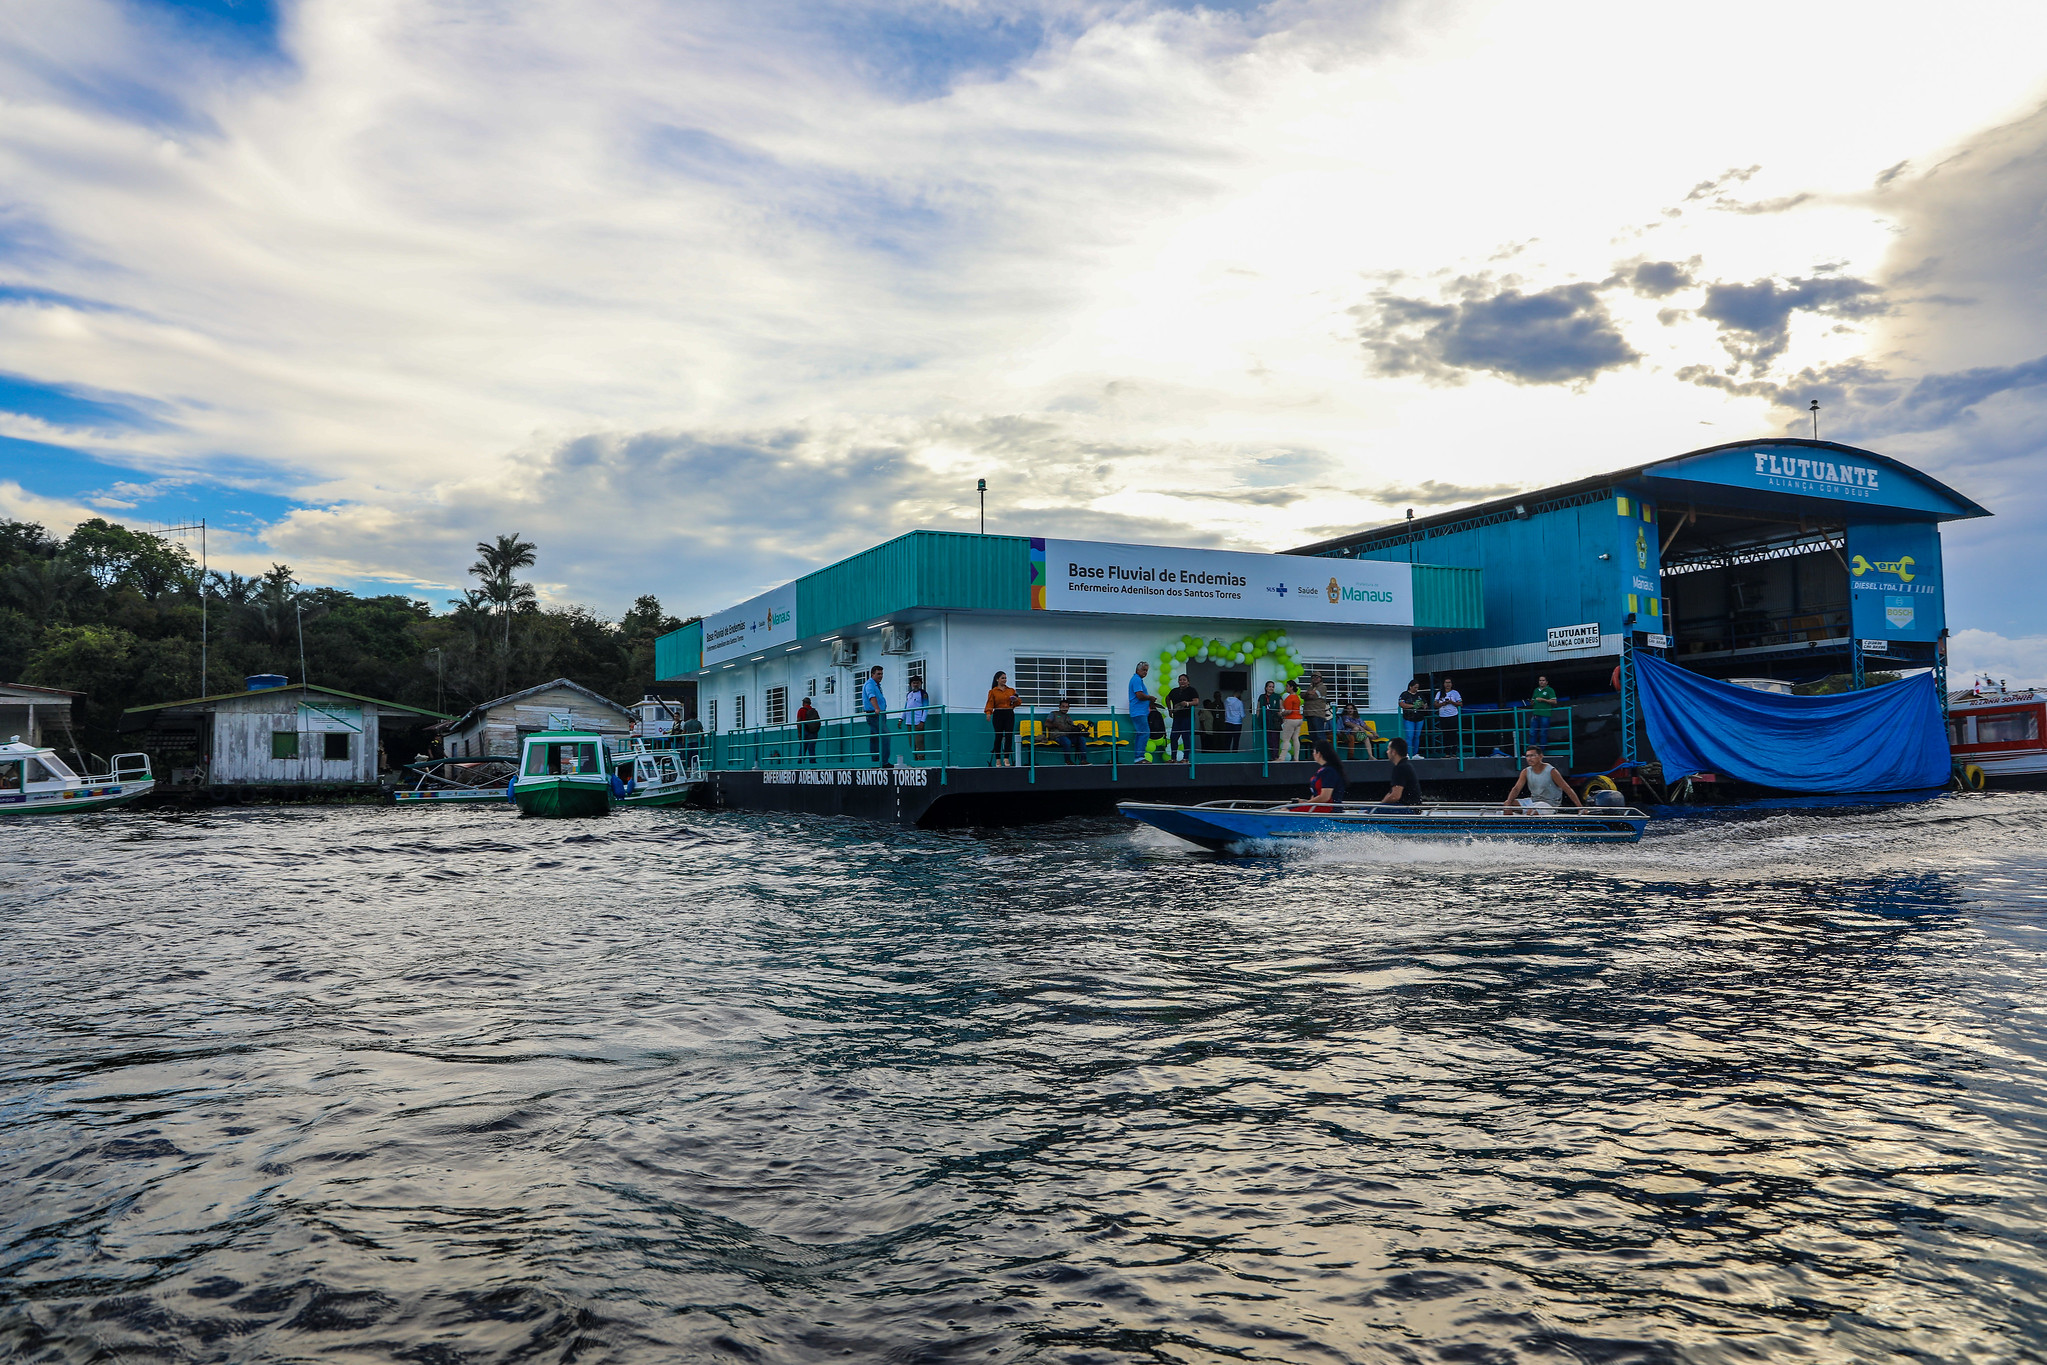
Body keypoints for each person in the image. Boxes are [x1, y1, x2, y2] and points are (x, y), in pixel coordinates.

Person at [1502, 745, 1581, 814]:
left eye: (1532, 756)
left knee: (1532, 811)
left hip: (1550, 804)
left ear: (1540, 756)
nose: (1529, 758)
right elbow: (1516, 789)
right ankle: (1511, 828)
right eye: (1527, 756)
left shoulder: (1551, 771)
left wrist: (1580, 807)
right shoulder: (1525, 772)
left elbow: (1567, 789)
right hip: (1533, 801)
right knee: (1507, 803)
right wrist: (1508, 804)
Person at [1297, 738, 1347, 812]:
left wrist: (1306, 804)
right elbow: (1316, 793)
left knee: (1288, 810)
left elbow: (1325, 797)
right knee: (1287, 808)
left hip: (1329, 809)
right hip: (1320, 806)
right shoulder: (1322, 770)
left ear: (1319, 753)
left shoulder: (1329, 771)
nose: (1313, 754)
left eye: (1314, 752)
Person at [985, 669, 1019, 766]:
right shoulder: (993, 691)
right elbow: (990, 703)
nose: (1004, 680)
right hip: (998, 713)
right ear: (997, 679)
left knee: (1008, 735)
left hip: (1009, 713)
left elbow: (1018, 703)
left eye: (1005, 678)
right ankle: (998, 759)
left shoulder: (1011, 690)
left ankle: (1006, 758)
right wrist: (988, 713)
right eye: (1002, 678)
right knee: (998, 736)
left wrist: (1016, 699)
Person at [1378, 737, 1421, 812]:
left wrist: (1379, 806)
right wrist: (1380, 804)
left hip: (1408, 809)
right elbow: (1391, 793)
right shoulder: (1405, 765)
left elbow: (1395, 796)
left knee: (1366, 810)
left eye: (1388, 749)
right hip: (1410, 807)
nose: (1387, 752)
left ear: (1394, 752)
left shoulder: (1400, 768)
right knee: (1371, 809)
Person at [1045, 697, 1091, 764]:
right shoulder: (1053, 714)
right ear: (1059, 707)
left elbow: (1072, 728)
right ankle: (1068, 761)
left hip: (1068, 735)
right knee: (1067, 741)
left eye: (1067, 707)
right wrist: (1056, 725)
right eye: (1063, 706)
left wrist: (1078, 727)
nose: (1065, 708)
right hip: (1057, 736)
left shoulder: (1068, 717)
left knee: (1082, 739)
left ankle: (1083, 760)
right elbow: (1046, 723)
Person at [1127, 661, 1157, 762]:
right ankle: (1139, 757)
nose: (1145, 672)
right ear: (1138, 670)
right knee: (1144, 733)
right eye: (1143, 670)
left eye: (1146, 671)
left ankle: (1139, 756)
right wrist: (1150, 698)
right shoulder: (1136, 679)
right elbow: (1139, 695)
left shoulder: (1137, 679)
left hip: (1140, 711)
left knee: (1141, 733)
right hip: (1138, 711)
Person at [1166, 673, 1200, 761]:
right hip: (1177, 717)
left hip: (1187, 717)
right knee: (1173, 737)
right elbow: (1167, 698)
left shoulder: (1191, 690)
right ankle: (1173, 758)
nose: (1182, 681)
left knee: (1185, 736)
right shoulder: (1174, 691)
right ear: (1178, 681)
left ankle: (1186, 758)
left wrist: (1187, 703)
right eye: (1180, 680)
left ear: (1188, 682)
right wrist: (1170, 710)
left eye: (1184, 680)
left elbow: (1196, 701)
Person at [862, 665, 890, 766]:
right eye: (878, 674)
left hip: (879, 714)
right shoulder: (870, 684)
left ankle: (875, 762)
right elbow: (871, 696)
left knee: (874, 738)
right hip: (874, 715)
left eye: (881, 674)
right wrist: (877, 708)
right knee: (885, 735)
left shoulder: (876, 685)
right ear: (872, 674)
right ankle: (884, 762)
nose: (881, 676)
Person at [1301, 673, 1332, 751]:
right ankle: (1316, 755)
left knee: (1319, 735)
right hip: (1309, 714)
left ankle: (1325, 754)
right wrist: (1308, 693)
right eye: (1313, 677)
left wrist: (1307, 694)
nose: (1314, 678)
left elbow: (1312, 696)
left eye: (1316, 677)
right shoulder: (1310, 688)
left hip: (1317, 714)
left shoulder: (1322, 687)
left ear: (1320, 678)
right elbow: (1302, 695)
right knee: (1313, 736)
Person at [1434, 675, 1463, 758]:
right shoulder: (1439, 693)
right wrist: (1442, 704)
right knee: (1445, 734)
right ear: (1443, 684)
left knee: (1453, 734)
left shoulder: (1455, 693)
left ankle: (1454, 752)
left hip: (1453, 715)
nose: (1448, 684)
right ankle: (1447, 753)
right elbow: (1435, 704)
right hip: (1443, 716)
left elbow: (1460, 703)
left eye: (1449, 682)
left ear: (1452, 684)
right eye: (1446, 682)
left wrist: (1451, 702)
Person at [1399, 679, 1429, 757]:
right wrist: (1413, 706)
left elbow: (1426, 705)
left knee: (1417, 736)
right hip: (1409, 718)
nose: (1416, 689)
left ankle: (1415, 753)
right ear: (1410, 686)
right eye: (1415, 687)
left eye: (1417, 687)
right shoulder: (1404, 694)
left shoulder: (1420, 695)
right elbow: (1401, 704)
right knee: (1409, 736)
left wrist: (1423, 705)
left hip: (1419, 718)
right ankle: (1408, 753)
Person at [903, 678, 930, 759]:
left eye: (917, 683)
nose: (915, 685)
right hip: (909, 722)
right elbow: (906, 707)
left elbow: (925, 708)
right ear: (910, 684)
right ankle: (914, 761)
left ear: (920, 684)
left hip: (918, 722)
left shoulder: (923, 694)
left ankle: (921, 762)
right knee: (912, 743)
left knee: (919, 742)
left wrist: (922, 721)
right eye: (913, 683)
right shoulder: (909, 694)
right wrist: (901, 719)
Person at [1528, 674, 1557, 750]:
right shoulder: (1536, 690)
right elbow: (1534, 701)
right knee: (1532, 733)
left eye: (1543, 680)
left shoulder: (1550, 690)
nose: (1541, 682)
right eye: (1540, 680)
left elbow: (1554, 701)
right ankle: (1531, 751)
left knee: (1543, 733)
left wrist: (1543, 700)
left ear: (1547, 682)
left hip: (1545, 714)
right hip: (1535, 714)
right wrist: (1532, 702)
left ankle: (1542, 751)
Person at [1255, 680, 1282, 759]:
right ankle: (1272, 756)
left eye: (1273, 687)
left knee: (1275, 738)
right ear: (1266, 688)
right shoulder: (1262, 697)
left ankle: (1275, 756)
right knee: (1268, 739)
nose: (1271, 688)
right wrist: (1258, 718)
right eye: (1270, 686)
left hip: (1274, 720)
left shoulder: (1277, 696)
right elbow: (1258, 708)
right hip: (1265, 719)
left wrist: (1281, 717)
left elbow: (1281, 707)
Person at [1279, 680, 1304, 761]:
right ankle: (1296, 758)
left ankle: (1281, 758)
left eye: (1287, 686)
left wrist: (1281, 714)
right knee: (1295, 738)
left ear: (1291, 687)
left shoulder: (1290, 698)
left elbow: (1289, 711)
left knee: (1286, 739)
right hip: (1299, 719)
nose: (1286, 688)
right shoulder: (1296, 697)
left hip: (1291, 719)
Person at [796, 697, 821, 764]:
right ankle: (812, 763)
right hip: (813, 732)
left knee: (803, 747)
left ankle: (800, 764)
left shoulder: (801, 710)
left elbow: (798, 721)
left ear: (803, 703)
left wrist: (799, 733)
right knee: (811, 748)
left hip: (805, 731)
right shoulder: (814, 711)